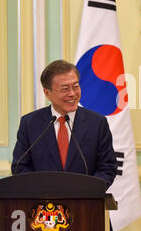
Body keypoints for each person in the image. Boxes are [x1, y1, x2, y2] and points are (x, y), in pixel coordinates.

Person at [11, 60, 117, 189]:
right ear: (47, 93)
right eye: (65, 89)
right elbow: (20, 167)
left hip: (85, 203)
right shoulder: (30, 123)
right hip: (43, 204)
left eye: (76, 86)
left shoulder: (97, 123)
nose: (72, 94)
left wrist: (89, 191)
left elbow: (107, 167)